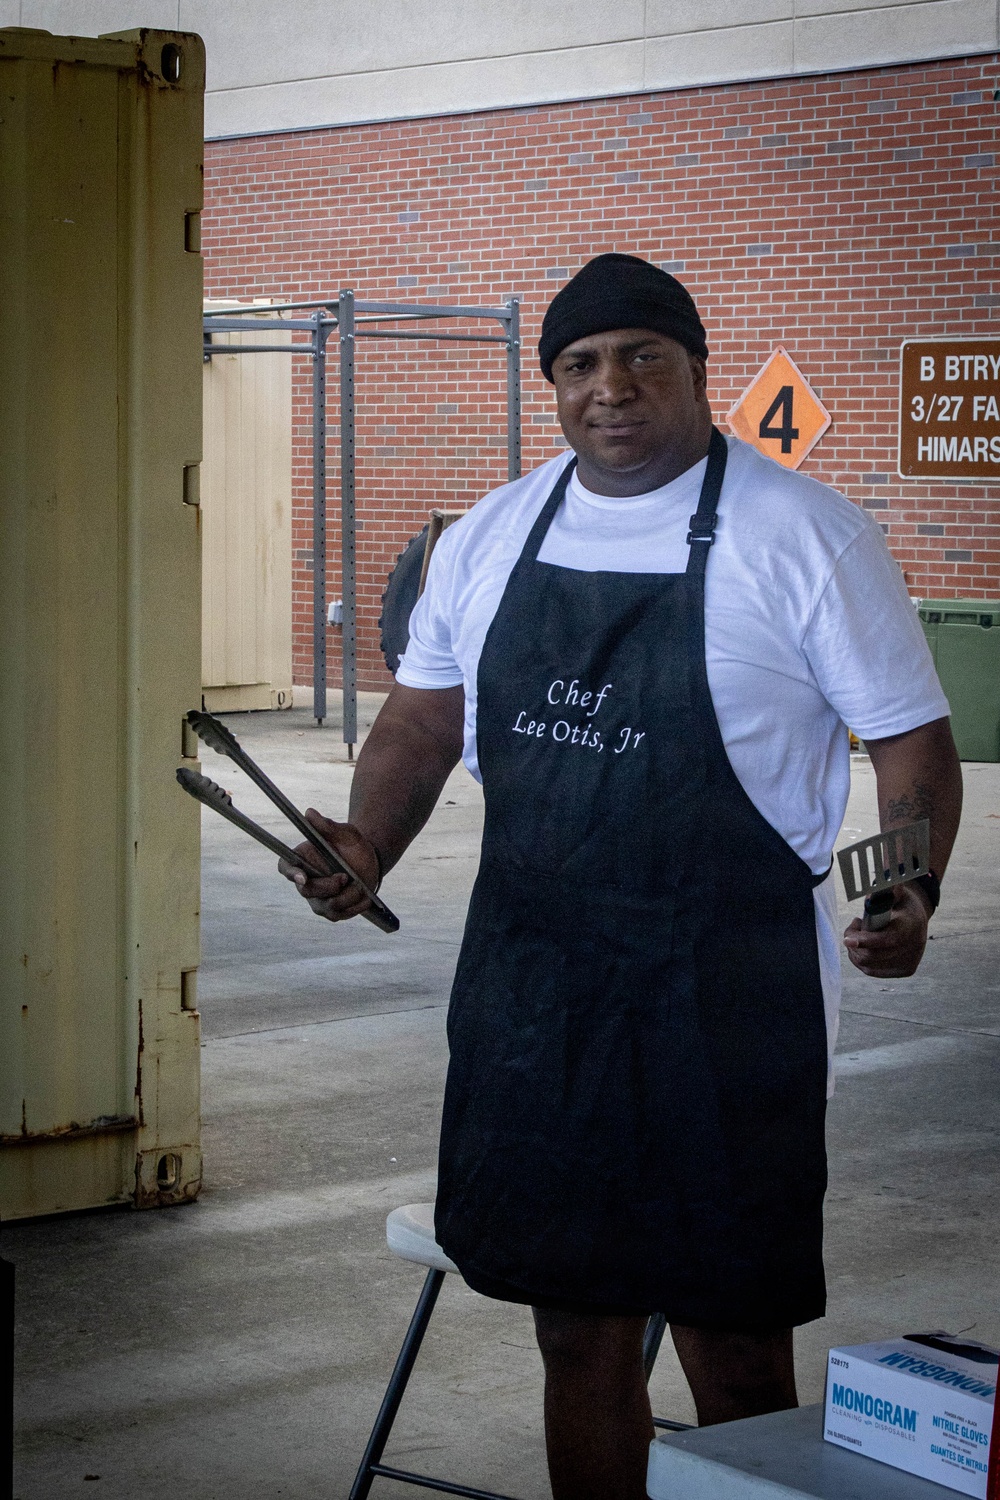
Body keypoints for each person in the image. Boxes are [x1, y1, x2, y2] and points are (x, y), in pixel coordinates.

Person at [280, 254, 962, 1500]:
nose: (613, 389)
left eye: (646, 356)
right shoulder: (489, 536)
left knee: (736, 1338)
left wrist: (901, 889)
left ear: (697, 371)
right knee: (573, 1328)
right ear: (552, 385)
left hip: (727, 998)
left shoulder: (806, 534)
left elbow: (911, 740)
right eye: (581, 364)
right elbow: (423, 722)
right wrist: (367, 842)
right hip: (534, 991)